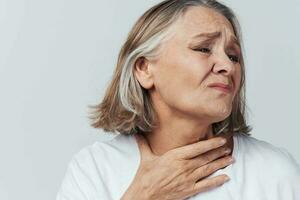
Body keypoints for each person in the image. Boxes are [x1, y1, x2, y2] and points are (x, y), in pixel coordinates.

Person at [56, 0, 300, 199]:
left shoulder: (273, 172)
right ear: (144, 69)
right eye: (203, 48)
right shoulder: (95, 169)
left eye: (233, 55)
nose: (228, 66)